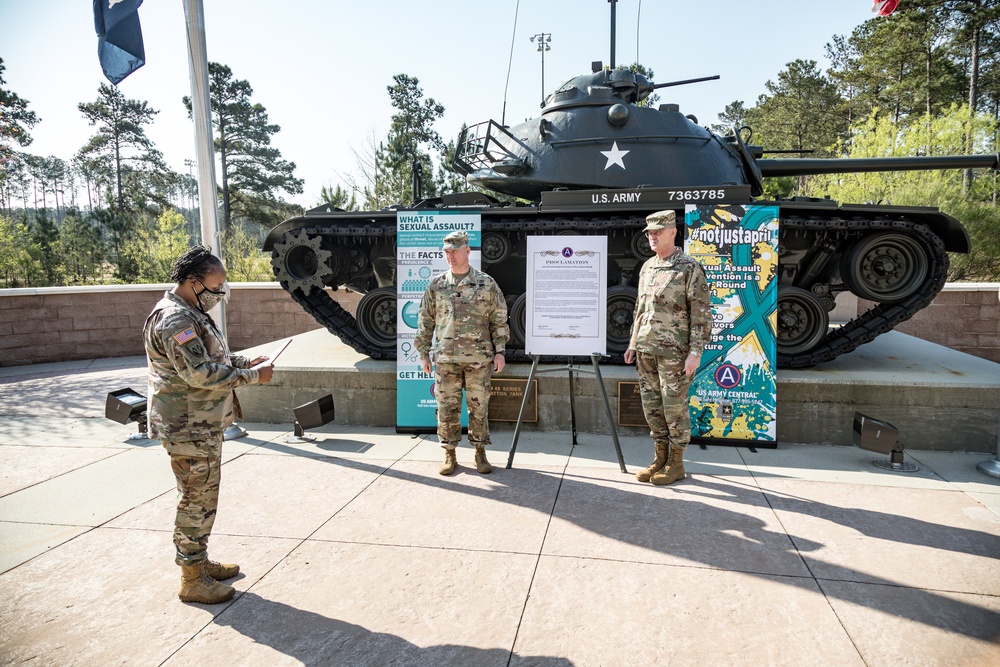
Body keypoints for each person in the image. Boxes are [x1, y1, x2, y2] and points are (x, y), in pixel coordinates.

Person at [143, 245, 274, 604]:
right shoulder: (175, 320)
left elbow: (211, 356)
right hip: (187, 427)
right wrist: (252, 375)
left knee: (202, 499)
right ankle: (192, 580)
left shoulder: (191, 312)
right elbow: (198, 373)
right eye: (216, 288)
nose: (220, 295)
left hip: (197, 424)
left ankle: (198, 563)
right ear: (192, 281)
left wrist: (245, 359)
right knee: (195, 501)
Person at [624, 210, 711, 485]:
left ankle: (676, 463)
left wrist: (695, 352)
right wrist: (632, 343)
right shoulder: (648, 267)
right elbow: (640, 308)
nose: (652, 236)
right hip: (646, 349)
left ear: (672, 232)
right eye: (649, 233)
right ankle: (659, 458)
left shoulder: (688, 267)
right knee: (652, 406)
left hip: (675, 353)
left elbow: (701, 313)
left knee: (674, 408)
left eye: (657, 232)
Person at [415, 230, 510, 476]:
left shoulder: (487, 284)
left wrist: (500, 351)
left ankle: (480, 452)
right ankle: (449, 453)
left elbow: (499, 319)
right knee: (447, 409)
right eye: (447, 252)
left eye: (455, 251)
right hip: (446, 359)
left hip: (478, 359)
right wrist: (424, 353)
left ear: (467, 251)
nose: (450, 256)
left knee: (478, 408)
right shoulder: (437, 285)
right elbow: (425, 320)